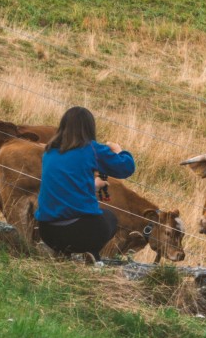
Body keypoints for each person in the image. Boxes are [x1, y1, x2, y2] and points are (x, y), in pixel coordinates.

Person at [35, 106, 135, 260]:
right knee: (110, 218)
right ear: (89, 128)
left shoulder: (50, 151)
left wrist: (94, 185)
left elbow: (65, 185)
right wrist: (118, 151)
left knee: (73, 216)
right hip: (79, 233)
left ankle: (63, 254)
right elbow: (126, 168)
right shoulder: (91, 149)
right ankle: (92, 253)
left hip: (47, 232)